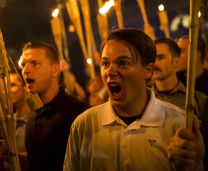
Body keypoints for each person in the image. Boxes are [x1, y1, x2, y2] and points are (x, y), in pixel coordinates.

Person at [63, 29, 205, 171]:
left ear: (148, 70)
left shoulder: (179, 123)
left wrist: (193, 163)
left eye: (123, 63)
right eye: (105, 64)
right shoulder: (84, 124)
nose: (110, 72)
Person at [19, 41, 89, 171]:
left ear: (55, 70)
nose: (26, 70)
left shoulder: (79, 113)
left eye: (35, 64)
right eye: (23, 65)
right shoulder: (33, 119)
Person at [152, 38, 208, 169]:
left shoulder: (198, 100)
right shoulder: (143, 100)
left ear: (176, 62)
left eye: (160, 57)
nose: (154, 63)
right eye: (152, 58)